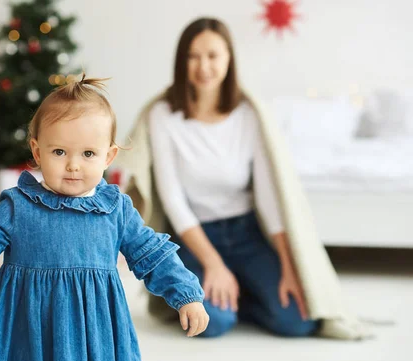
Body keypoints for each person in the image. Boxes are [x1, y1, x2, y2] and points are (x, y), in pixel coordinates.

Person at [0, 77, 209, 361]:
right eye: (59, 151)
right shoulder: (20, 205)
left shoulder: (115, 209)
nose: (73, 165)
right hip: (29, 330)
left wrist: (186, 294)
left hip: (95, 333)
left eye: (89, 153)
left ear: (109, 156)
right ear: (37, 151)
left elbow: (153, 253)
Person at [121, 17, 321, 338]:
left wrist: (288, 265)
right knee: (213, 322)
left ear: (229, 58)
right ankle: (229, 297)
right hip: (197, 236)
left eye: (213, 55)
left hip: (246, 232)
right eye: (193, 56)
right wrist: (213, 263)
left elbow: (270, 198)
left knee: (297, 322)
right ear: (181, 61)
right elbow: (172, 199)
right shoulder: (162, 114)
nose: (204, 66)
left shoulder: (248, 114)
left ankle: (242, 294)